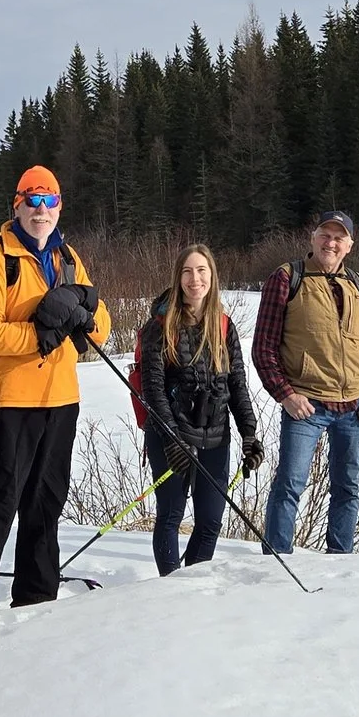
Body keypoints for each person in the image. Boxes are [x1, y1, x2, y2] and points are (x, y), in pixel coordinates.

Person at [0, 166, 110, 620]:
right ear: (17, 205)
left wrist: (84, 318)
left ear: (59, 207)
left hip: (60, 401)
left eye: (49, 201)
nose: (40, 210)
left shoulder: (67, 257)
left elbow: (101, 325)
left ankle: (38, 605)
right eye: (32, 200)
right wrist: (38, 334)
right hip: (10, 403)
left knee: (46, 506)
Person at [251, 211, 359, 555]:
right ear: (312, 238)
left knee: (348, 489)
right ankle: (278, 561)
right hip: (307, 406)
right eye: (325, 235)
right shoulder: (287, 278)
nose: (331, 242)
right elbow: (263, 348)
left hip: (355, 408)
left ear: (349, 246)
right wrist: (285, 395)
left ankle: (340, 561)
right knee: (289, 486)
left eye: (338, 238)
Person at [132, 242, 263, 575]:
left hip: (216, 436)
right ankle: (171, 585)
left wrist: (249, 434)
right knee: (171, 516)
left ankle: (192, 586)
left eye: (202, 271)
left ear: (212, 276)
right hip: (171, 437)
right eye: (188, 272)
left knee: (210, 521)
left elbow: (236, 385)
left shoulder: (223, 325)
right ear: (178, 278)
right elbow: (153, 390)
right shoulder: (158, 328)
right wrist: (172, 439)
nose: (195, 279)